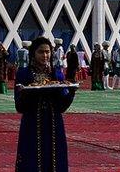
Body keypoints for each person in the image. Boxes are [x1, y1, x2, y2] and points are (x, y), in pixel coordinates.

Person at [13, 36, 73, 172]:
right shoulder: (24, 74)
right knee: (31, 159)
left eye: (47, 52)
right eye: (41, 52)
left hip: (54, 124)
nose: (45, 55)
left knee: (55, 159)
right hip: (31, 124)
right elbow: (19, 106)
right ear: (33, 53)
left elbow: (63, 106)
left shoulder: (56, 74)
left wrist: (71, 92)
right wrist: (31, 92)